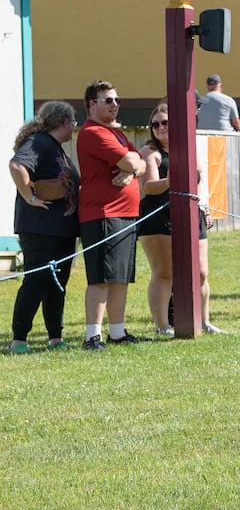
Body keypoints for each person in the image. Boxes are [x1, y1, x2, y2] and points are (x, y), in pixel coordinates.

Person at [76, 80, 147, 349]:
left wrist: (131, 170)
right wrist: (132, 166)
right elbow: (132, 161)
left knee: (120, 276)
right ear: (91, 104)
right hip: (103, 214)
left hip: (126, 214)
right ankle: (91, 335)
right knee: (101, 278)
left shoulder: (115, 133)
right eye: (108, 100)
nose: (114, 105)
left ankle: (116, 332)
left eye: (117, 100)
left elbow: (139, 161)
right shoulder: (94, 133)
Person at [137, 103, 218, 337]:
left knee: (201, 271)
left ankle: (204, 321)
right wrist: (170, 181)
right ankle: (162, 326)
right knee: (164, 272)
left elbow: (199, 180)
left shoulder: (188, 149)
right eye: (155, 124)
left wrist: (205, 208)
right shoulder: (149, 153)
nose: (160, 127)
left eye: (165, 122)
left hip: (192, 213)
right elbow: (148, 187)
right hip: (159, 216)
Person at [7, 101, 79, 353]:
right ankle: (19, 341)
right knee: (36, 281)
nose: (74, 127)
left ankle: (55, 338)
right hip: (40, 228)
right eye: (73, 122)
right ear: (64, 122)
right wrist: (29, 196)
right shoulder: (39, 141)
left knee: (56, 284)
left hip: (60, 229)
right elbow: (17, 166)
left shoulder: (56, 148)